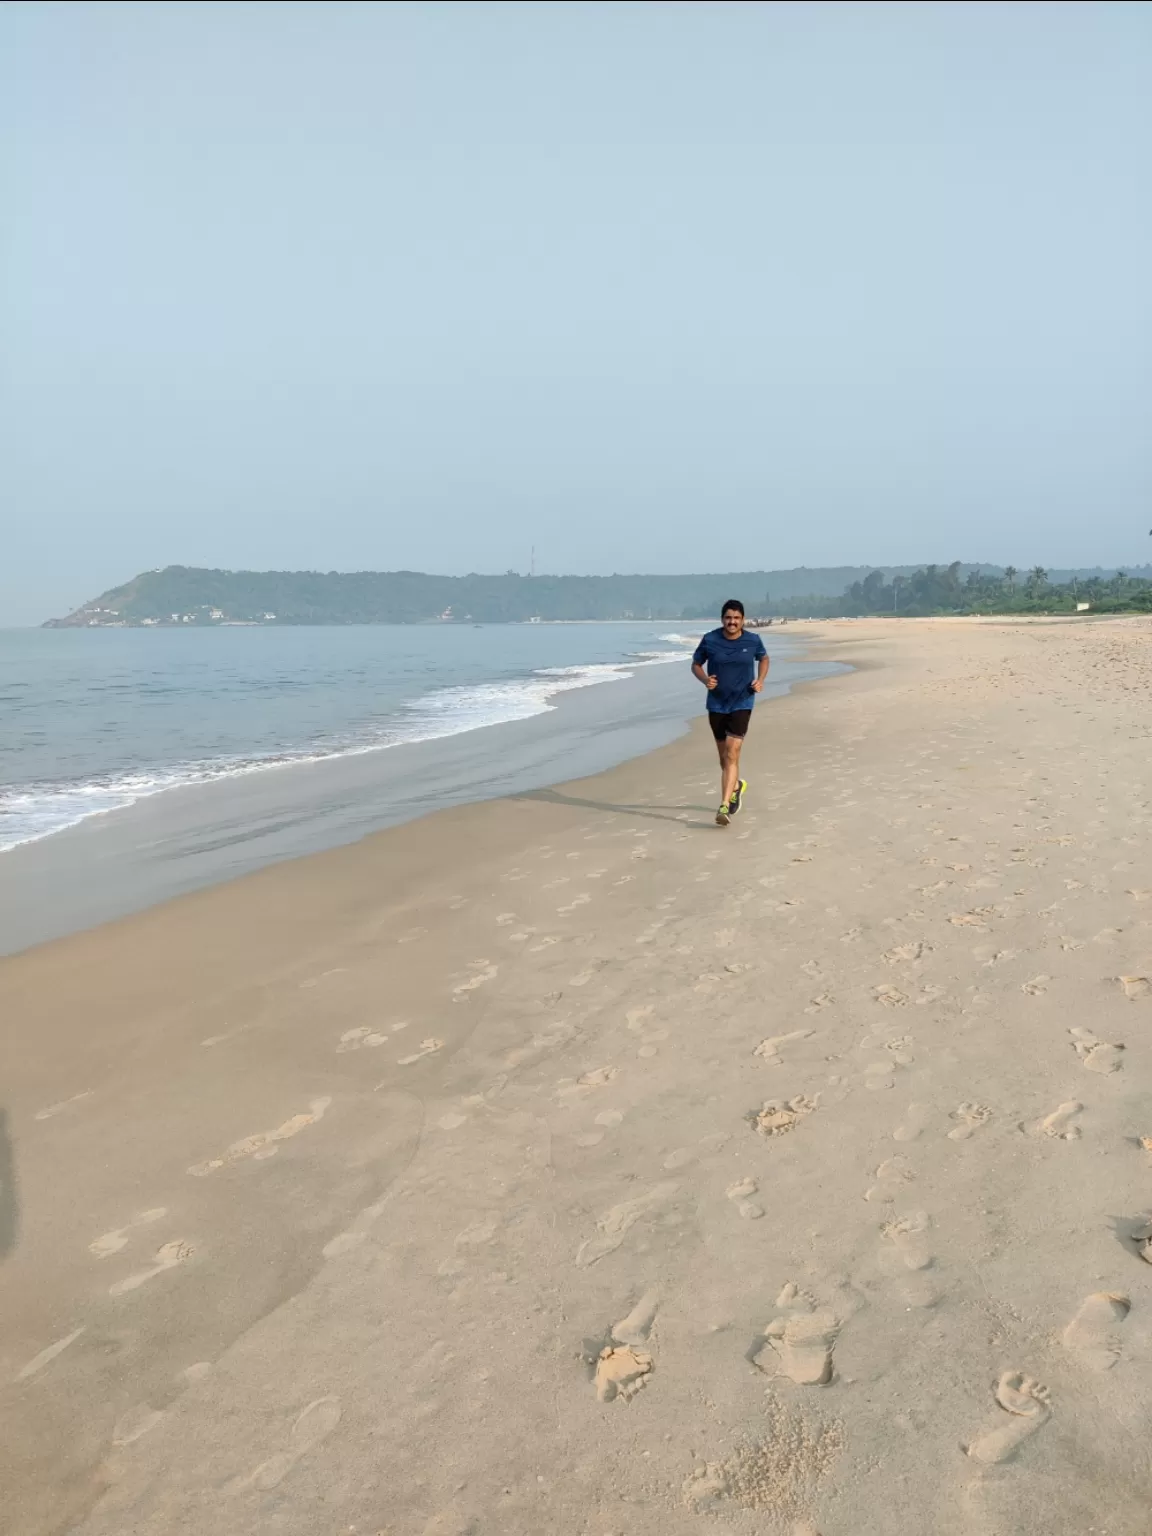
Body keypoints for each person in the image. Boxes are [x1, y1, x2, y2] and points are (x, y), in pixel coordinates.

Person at [691, 599, 769, 825]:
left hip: (742, 702)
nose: (732, 622)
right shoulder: (710, 639)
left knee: (732, 754)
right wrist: (705, 679)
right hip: (716, 705)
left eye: (736, 618)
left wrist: (760, 680)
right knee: (724, 758)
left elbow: (764, 658)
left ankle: (724, 806)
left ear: (743, 620)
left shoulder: (753, 640)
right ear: (722, 619)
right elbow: (696, 664)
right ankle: (736, 786)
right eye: (728, 618)